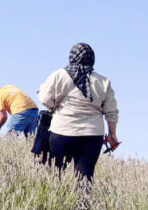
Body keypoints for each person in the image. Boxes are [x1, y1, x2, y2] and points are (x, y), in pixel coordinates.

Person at [37, 43, 120, 181]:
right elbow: (111, 112)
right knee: (85, 177)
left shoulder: (59, 75)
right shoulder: (104, 81)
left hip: (62, 131)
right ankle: (83, 202)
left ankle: (57, 201)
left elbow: (44, 98)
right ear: (92, 58)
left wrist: (55, 106)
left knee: (56, 175)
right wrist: (112, 134)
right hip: (92, 134)